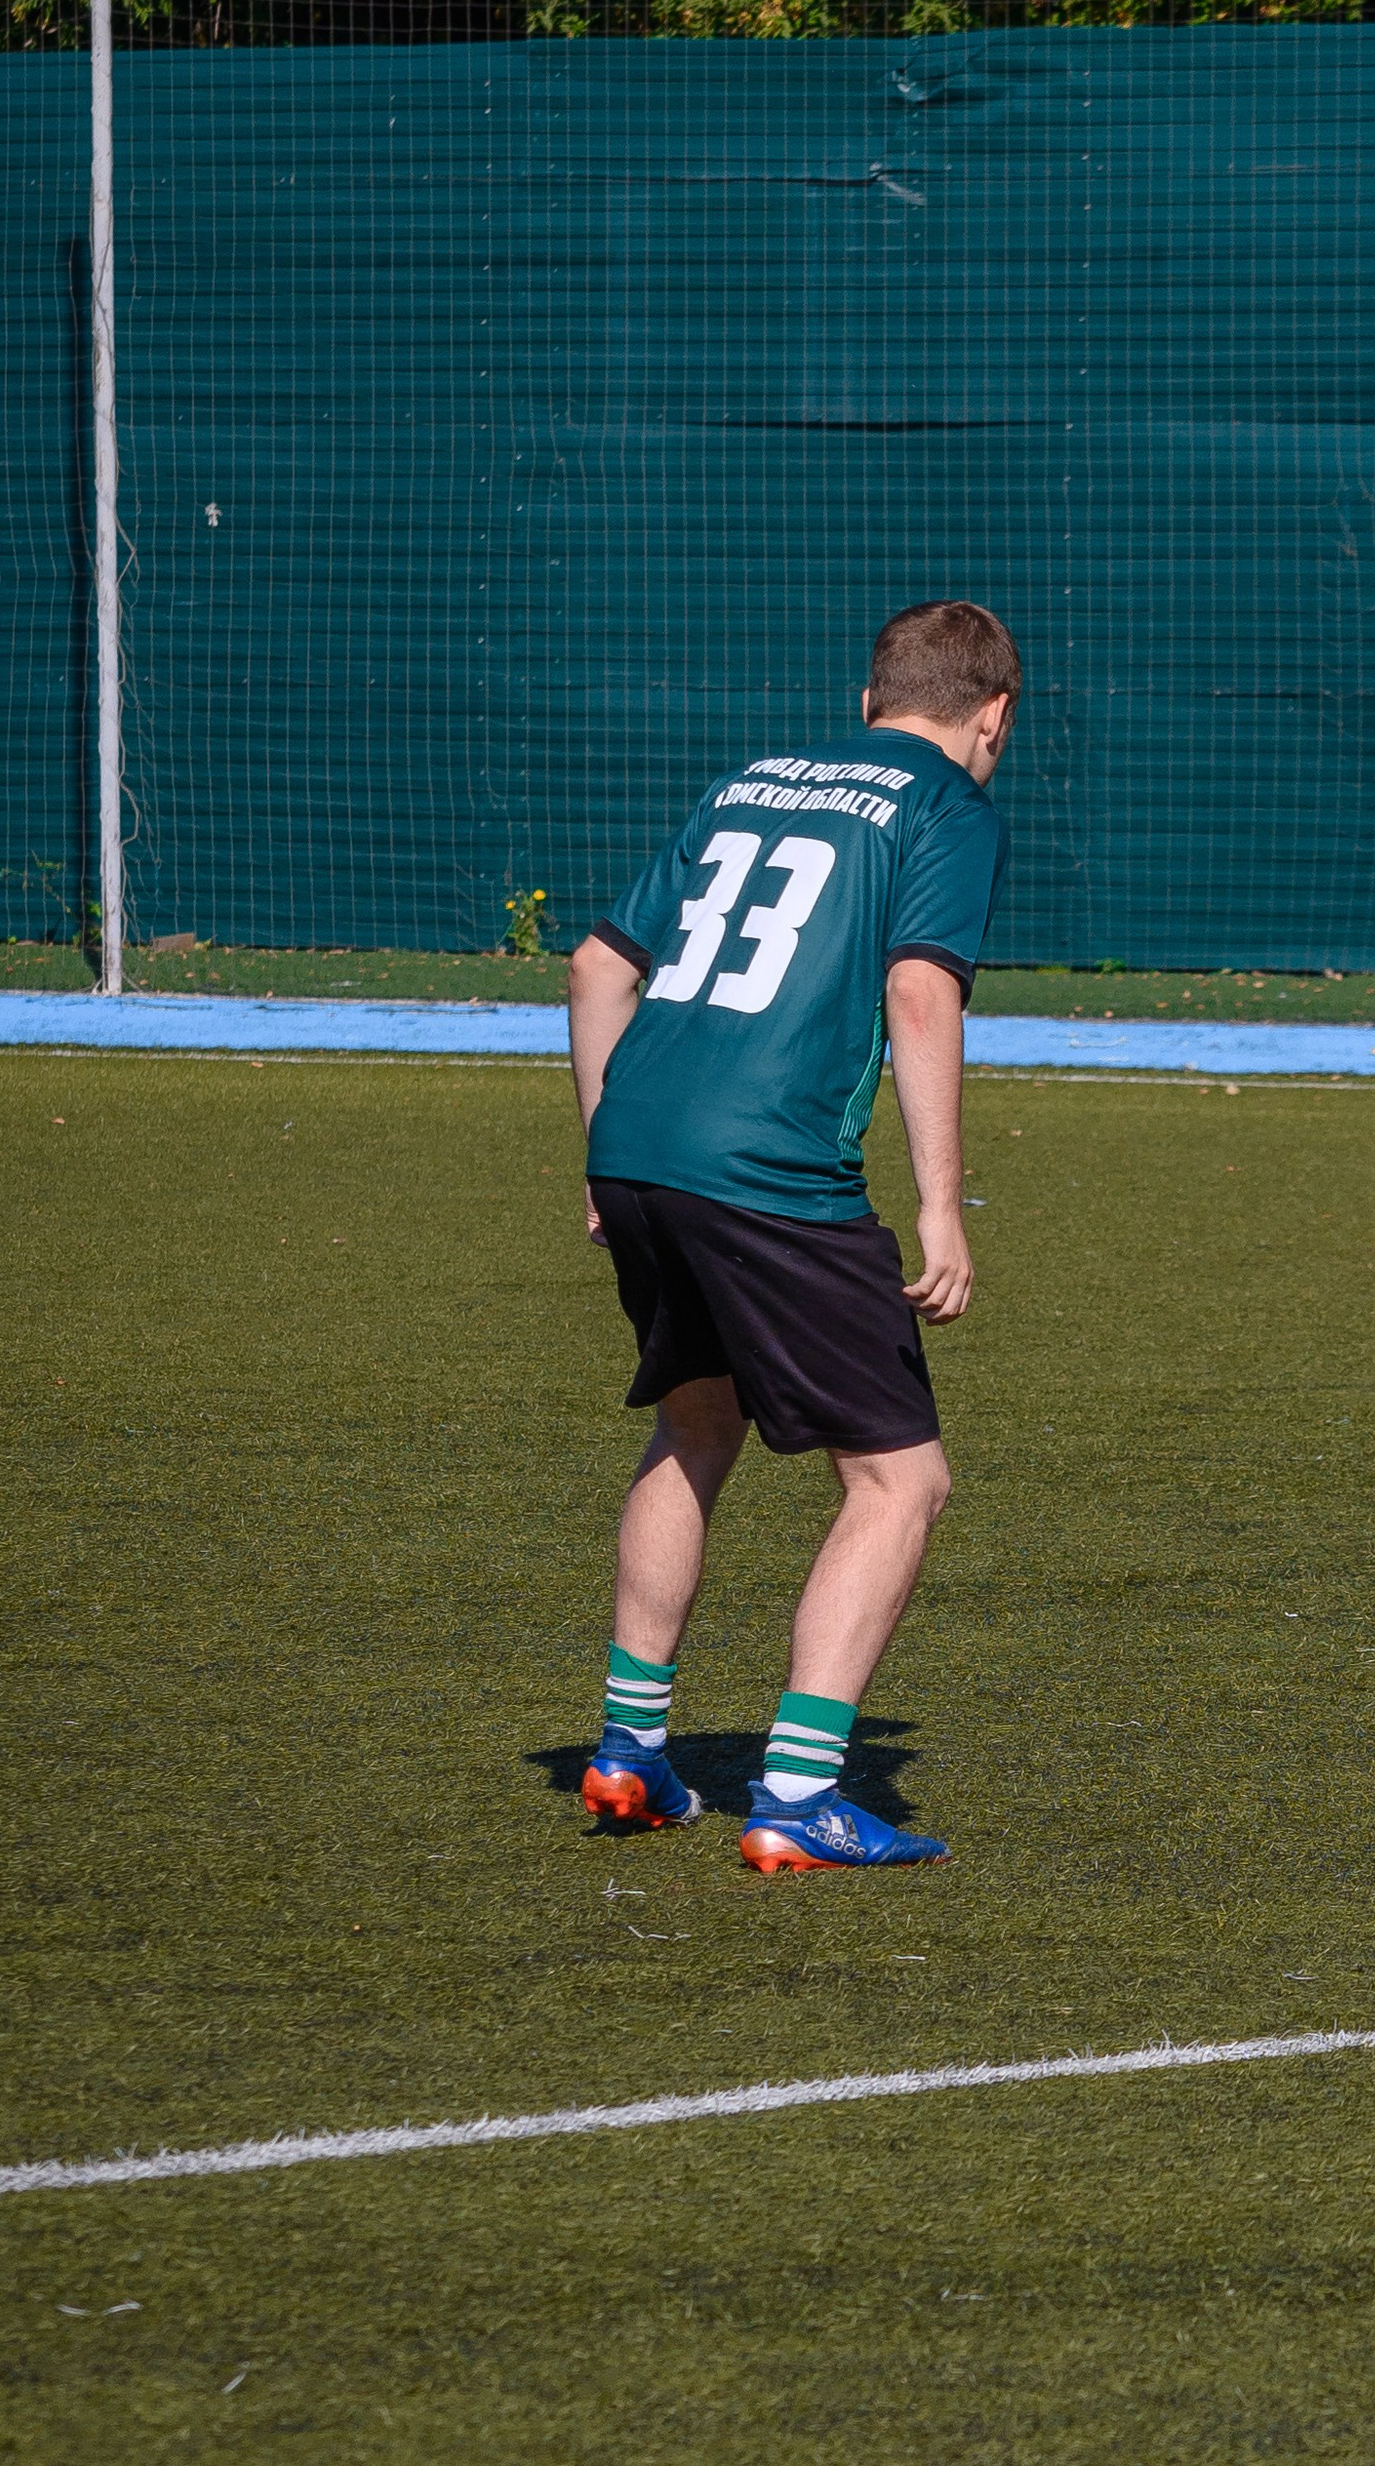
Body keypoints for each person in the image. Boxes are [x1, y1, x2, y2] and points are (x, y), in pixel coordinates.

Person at [564, 600, 1016, 1865]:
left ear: (868, 701)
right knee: (900, 1481)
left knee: (695, 1423)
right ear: (993, 717)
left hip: (638, 1145)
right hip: (768, 1169)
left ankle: (627, 1751)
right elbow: (918, 990)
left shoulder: (749, 780)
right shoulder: (947, 804)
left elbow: (597, 968)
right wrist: (939, 1203)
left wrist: (605, 1152)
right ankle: (801, 1794)